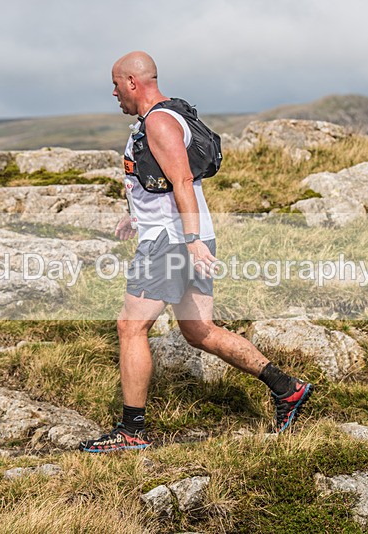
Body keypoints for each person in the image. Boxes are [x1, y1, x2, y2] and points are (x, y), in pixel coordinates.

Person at [79, 51, 312, 453]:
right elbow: (162, 182)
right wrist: (137, 216)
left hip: (172, 241)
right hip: (182, 235)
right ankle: (286, 388)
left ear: (133, 83)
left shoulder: (160, 121)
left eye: (116, 84)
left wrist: (190, 242)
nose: (113, 92)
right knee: (198, 330)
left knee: (130, 327)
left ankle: (132, 431)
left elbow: (183, 180)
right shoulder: (166, 117)